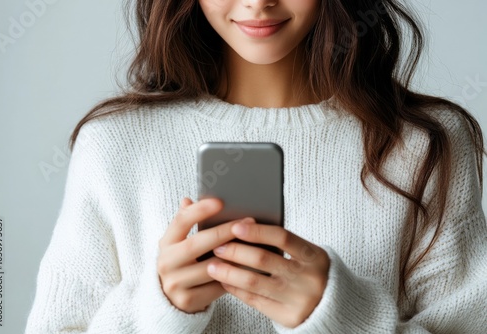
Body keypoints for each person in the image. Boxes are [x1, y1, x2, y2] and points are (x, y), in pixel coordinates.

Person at [25, 0, 487, 333]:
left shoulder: (426, 144)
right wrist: (156, 312)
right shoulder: (115, 144)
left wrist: (342, 319)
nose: (257, 4)